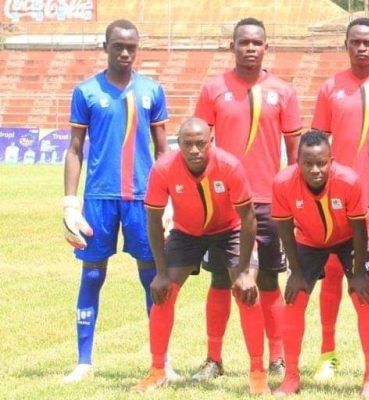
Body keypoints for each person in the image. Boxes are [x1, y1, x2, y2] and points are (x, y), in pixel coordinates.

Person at [62, 19, 176, 383]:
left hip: (143, 199)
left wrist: (169, 199)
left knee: (153, 278)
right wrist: (70, 202)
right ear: (105, 47)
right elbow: (75, 149)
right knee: (92, 275)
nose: (125, 53)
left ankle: (162, 362)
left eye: (131, 47)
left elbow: (163, 150)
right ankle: (84, 362)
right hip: (99, 198)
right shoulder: (85, 92)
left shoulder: (152, 90)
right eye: (118, 46)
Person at [193, 17, 302, 380]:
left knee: (269, 279)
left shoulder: (283, 91)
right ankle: (213, 359)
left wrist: (293, 198)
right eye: (244, 42)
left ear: (266, 47)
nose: (250, 48)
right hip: (225, 203)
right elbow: (198, 146)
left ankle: (278, 358)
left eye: (257, 42)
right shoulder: (213, 89)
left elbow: (295, 151)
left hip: (269, 202)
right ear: (233, 47)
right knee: (220, 279)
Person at [132, 118, 267, 394]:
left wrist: (244, 272)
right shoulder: (163, 168)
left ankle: (257, 372)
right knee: (163, 292)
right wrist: (160, 272)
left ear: (211, 142)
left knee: (247, 292)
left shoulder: (229, 165)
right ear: (178, 144)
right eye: (187, 144)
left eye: (200, 144)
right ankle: (157, 371)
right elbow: (154, 221)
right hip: (187, 233)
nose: (194, 150)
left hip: (230, 230)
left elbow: (248, 218)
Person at [310, 16, 369, 381]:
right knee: (333, 274)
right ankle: (327, 353)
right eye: (356, 42)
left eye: (368, 42)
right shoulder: (331, 87)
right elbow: (317, 146)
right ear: (346, 45)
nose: (362, 47)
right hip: (339, 201)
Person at [272, 130, 369, 399]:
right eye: (308, 163)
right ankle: (291, 376)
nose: (315, 170)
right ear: (297, 162)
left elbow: (359, 229)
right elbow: (284, 228)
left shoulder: (348, 180)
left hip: (350, 239)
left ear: (331, 161)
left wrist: (358, 273)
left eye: (321, 163)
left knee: (364, 298)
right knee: (295, 298)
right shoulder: (283, 183)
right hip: (309, 241)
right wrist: (295, 271)